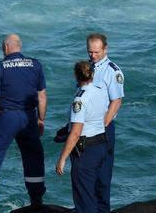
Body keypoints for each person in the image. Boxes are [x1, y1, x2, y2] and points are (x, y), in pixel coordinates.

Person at [0, 34, 47, 208]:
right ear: (19, 47)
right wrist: (40, 119)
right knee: (33, 157)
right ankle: (36, 199)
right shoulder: (35, 65)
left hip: (5, 117)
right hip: (28, 116)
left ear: (6, 48)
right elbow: (42, 96)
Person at [56, 61, 109, 213]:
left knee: (84, 199)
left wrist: (62, 158)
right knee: (96, 193)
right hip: (101, 145)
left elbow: (76, 132)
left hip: (85, 152)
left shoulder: (80, 99)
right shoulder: (101, 92)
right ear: (92, 74)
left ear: (76, 76)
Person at [86, 33, 123, 212]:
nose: (93, 56)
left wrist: (103, 126)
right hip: (85, 128)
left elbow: (116, 102)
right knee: (86, 174)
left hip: (103, 128)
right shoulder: (86, 68)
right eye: (90, 52)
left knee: (103, 174)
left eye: (97, 52)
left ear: (105, 49)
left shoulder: (112, 71)